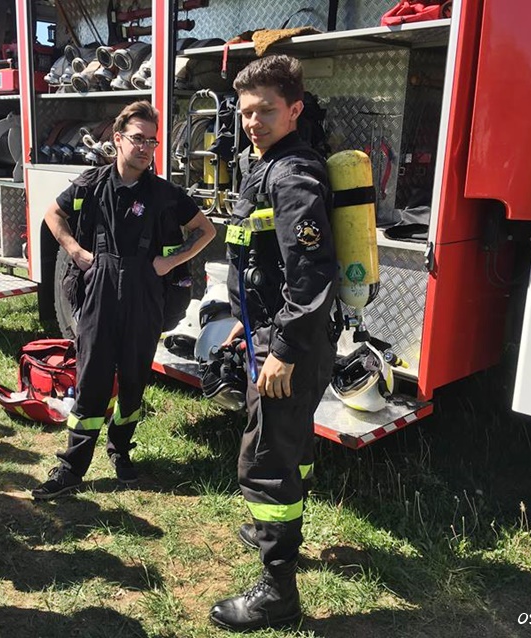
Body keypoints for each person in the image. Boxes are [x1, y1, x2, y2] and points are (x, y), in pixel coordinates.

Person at [208, 55, 337, 632]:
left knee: (265, 460)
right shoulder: (265, 166)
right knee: (291, 446)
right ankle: (279, 530)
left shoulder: (291, 175)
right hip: (272, 329)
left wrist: (282, 350)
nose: (252, 122)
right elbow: (266, 263)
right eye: (245, 112)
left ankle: (277, 591)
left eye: (265, 110)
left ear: (294, 110)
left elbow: (309, 272)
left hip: (289, 343)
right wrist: (246, 318)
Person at [31, 100, 215, 499]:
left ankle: (121, 450)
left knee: (133, 383)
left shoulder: (165, 193)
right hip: (99, 291)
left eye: (152, 140)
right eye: (138, 139)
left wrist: (170, 261)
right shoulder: (92, 184)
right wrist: (76, 251)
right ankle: (72, 468)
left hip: (145, 295)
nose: (146, 147)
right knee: (91, 382)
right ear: (117, 139)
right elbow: (52, 215)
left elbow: (206, 230)